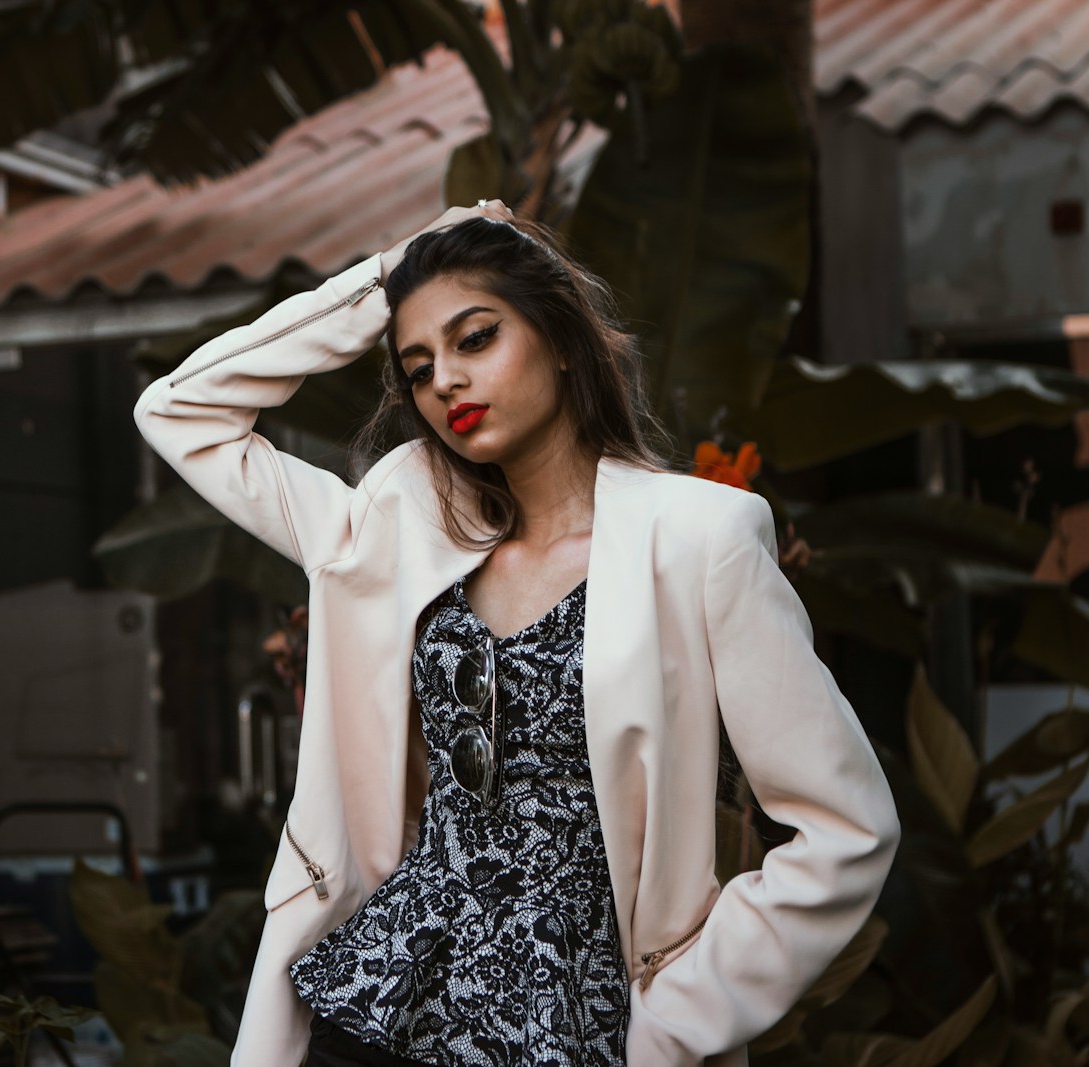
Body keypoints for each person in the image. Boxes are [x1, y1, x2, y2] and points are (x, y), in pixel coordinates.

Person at [132, 200, 900, 1066]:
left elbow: (847, 828)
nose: (445, 382)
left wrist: (683, 1011)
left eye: (475, 338)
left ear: (563, 338)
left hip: (576, 1025)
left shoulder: (698, 538)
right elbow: (179, 410)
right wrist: (388, 274)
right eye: (418, 366)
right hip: (383, 1006)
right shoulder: (395, 531)